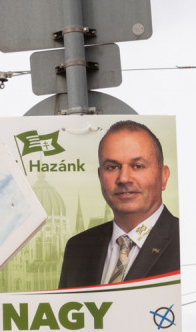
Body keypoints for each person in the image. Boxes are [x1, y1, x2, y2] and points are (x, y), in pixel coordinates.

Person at [57, 121, 181, 288]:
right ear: (100, 177)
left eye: (137, 166)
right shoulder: (78, 248)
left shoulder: (184, 240)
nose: (123, 178)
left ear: (164, 176)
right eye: (112, 167)